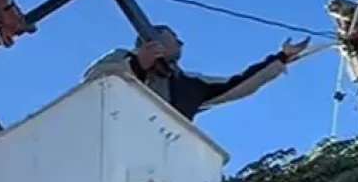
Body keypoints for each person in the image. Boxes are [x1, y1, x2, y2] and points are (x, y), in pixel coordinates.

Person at [82, 24, 310, 121]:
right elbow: (93, 81)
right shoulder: (123, 58)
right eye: (175, 37)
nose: (181, 42)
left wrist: (281, 58)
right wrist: (138, 64)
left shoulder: (188, 83)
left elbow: (238, 85)